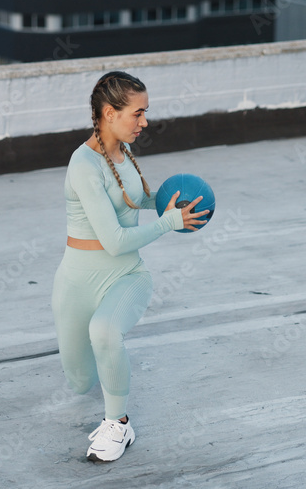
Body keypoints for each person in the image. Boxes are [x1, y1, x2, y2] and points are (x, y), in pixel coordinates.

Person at [50, 71, 209, 462]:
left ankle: (118, 424)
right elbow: (114, 239)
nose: (145, 122)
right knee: (79, 381)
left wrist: (173, 203)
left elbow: (133, 201)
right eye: (138, 113)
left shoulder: (122, 152)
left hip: (127, 275)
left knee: (104, 331)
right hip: (75, 282)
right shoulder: (83, 165)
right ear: (109, 113)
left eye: (145, 113)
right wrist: (169, 223)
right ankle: (105, 394)